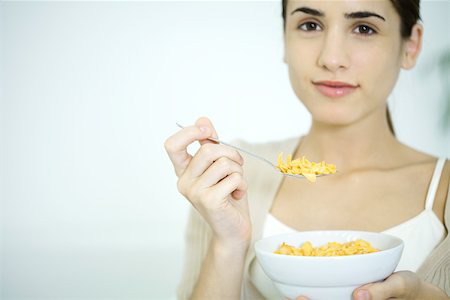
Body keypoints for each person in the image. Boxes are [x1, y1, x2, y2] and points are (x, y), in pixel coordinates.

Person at [164, 0, 450, 299]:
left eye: (364, 28)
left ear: (411, 45)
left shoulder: (444, 189)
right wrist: (227, 245)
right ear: (285, 39)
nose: (332, 58)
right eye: (310, 25)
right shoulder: (229, 177)